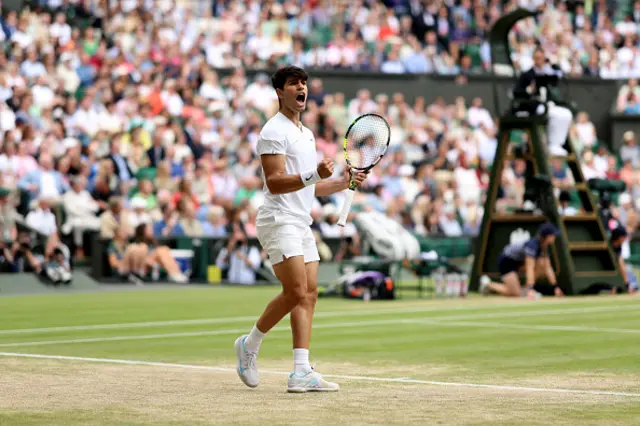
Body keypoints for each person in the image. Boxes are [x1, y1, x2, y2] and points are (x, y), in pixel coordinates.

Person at [234, 66, 368, 393]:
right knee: (295, 291)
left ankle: (300, 372)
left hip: (300, 220)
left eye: (304, 83)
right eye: (294, 83)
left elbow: (309, 189)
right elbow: (276, 182)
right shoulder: (272, 131)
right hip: (278, 219)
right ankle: (249, 345)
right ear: (280, 92)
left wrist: (341, 182)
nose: (301, 87)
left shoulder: (306, 134)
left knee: (309, 293)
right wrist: (314, 174)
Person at [513, 48, 573, 156]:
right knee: (551, 113)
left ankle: (557, 143)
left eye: (541, 58)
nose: (539, 60)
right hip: (532, 106)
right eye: (536, 58)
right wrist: (529, 91)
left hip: (547, 104)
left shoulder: (548, 74)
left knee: (566, 114)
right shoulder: (527, 75)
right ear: (533, 59)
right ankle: (550, 144)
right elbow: (517, 93)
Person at [479, 223, 564, 298]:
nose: (555, 237)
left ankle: (526, 290)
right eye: (553, 235)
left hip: (519, 263)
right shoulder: (532, 246)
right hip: (506, 261)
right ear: (547, 236)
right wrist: (531, 289)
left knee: (542, 263)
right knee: (514, 293)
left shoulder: (544, 247)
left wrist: (555, 287)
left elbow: (548, 268)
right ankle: (488, 285)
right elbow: (529, 267)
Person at [610, 226, 638, 294]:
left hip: (616, 272)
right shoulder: (609, 245)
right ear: (619, 238)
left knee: (632, 278)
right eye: (624, 237)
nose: (625, 239)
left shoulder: (619, 247)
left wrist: (627, 284)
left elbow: (621, 264)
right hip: (609, 272)